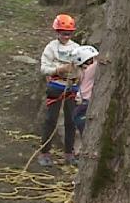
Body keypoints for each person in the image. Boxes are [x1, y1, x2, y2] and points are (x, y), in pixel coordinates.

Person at [38, 14, 81, 167]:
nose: (66, 36)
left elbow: (83, 66)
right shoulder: (51, 48)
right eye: (63, 33)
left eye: (68, 33)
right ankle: (44, 153)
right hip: (55, 87)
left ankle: (69, 153)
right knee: (50, 120)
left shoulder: (76, 48)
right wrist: (58, 69)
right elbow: (44, 68)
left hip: (71, 87)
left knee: (71, 121)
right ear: (57, 32)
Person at [72, 45, 99, 133]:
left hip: (81, 104)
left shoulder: (81, 71)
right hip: (85, 104)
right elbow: (99, 63)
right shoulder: (89, 70)